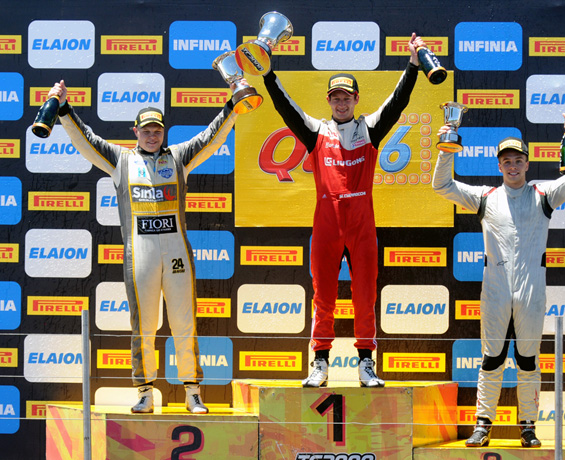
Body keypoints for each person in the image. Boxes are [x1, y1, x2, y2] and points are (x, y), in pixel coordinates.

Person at [48, 79, 246, 414]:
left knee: (184, 322)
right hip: (140, 255)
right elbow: (86, 141)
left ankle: (193, 392)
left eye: (157, 131)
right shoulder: (121, 160)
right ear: (135, 132)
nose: (152, 136)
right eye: (146, 131)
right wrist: (64, 110)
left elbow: (213, 138)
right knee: (144, 326)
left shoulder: (179, 157)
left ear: (163, 132)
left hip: (177, 253)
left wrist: (233, 105)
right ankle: (144, 391)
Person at [262, 33, 426, 388]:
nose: (340, 102)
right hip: (327, 226)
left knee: (365, 294)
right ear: (329, 100)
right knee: (324, 296)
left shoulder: (369, 129)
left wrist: (413, 64)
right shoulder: (317, 131)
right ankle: (320, 361)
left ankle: (366, 362)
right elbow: (285, 107)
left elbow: (397, 102)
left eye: (346, 97)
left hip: (362, 226)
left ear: (355, 99)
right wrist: (267, 73)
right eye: (335, 97)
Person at [432, 113, 565, 447]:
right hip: (496, 290)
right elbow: (441, 185)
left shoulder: (544, 194)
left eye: (519, 160)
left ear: (528, 164)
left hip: (531, 291)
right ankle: (482, 425)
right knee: (491, 360)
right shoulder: (485, 197)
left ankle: (528, 427)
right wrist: (447, 146)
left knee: (528, 361)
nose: (513, 166)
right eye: (507, 161)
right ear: (500, 165)